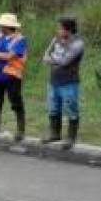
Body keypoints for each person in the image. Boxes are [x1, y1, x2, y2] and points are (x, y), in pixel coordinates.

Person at [42, 16, 84, 149]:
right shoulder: (55, 40)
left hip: (69, 82)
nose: (58, 30)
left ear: (68, 29)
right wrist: (55, 59)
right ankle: (55, 134)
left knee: (71, 108)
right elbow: (45, 57)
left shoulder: (78, 44)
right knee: (53, 108)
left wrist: (53, 59)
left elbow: (65, 61)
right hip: (53, 80)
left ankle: (71, 137)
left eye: (60, 28)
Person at [0, 13, 28, 140]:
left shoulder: (20, 39)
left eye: (1, 25)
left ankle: (20, 130)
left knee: (15, 101)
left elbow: (10, 56)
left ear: (8, 26)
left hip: (12, 75)